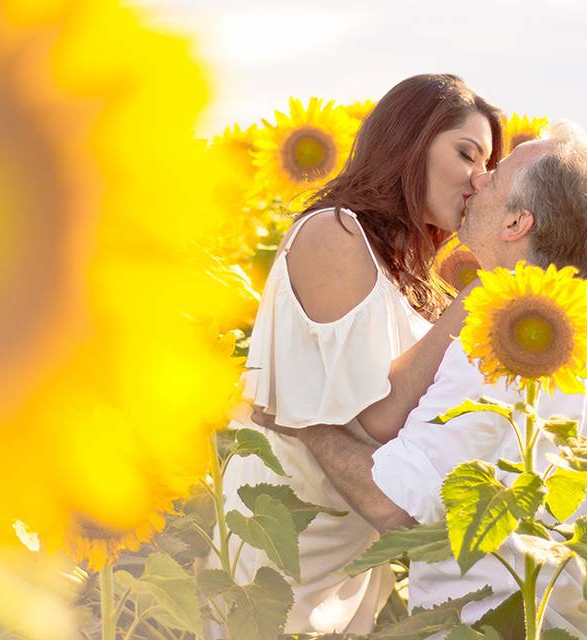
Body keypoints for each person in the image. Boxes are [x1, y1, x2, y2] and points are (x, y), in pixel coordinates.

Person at [262, 122, 587, 639]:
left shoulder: (502, 342)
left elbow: (392, 505)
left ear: (516, 222)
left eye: (496, 177)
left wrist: (305, 421)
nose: (478, 179)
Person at [210, 74, 504, 636]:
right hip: (284, 542)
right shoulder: (335, 232)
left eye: (488, 165)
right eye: (466, 153)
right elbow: (378, 416)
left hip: (346, 545)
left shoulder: (403, 262)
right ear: (409, 141)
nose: (478, 179)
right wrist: (478, 295)